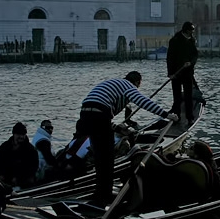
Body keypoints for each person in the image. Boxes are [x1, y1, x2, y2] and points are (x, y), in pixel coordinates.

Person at [72, 70, 176, 207]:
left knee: (99, 157)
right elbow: (143, 102)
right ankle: (105, 196)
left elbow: (100, 107)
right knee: (107, 158)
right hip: (99, 114)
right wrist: (166, 115)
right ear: (138, 82)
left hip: (85, 113)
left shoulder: (115, 84)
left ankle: (99, 193)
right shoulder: (128, 86)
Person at [167, 21, 199, 122]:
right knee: (176, 96)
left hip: (188, 73)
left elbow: (195, 55)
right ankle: (177, 116)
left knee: (188, 95)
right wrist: (170, 73)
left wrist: (191, 63)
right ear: (186, 30)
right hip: (176, 73)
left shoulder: (192, 41)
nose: (192, 33)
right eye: (191, 31)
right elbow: (170, 58)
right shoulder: (175, 40)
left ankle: (190, 117)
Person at [0, 122, 40, 188]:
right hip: (6, 176)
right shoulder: (5, 146)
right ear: (14, 134)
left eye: (23, 134)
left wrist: (18, 178)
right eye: (19, 134)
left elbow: (33, 167)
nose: (21, 137)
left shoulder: (30, 150)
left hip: (24, 178)